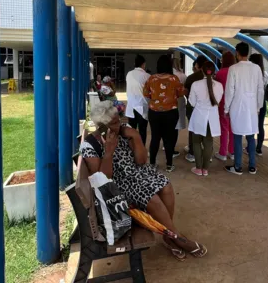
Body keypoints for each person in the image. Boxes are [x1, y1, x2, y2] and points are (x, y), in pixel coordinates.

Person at [81, 101, 207, 260]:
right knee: (151, 197)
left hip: (137, 173)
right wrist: (108, 153)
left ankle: (169, 235)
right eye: (113, 123)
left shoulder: (123, 133)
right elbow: (104, 180)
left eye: (118, 120)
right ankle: (177, 237)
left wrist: (135, 136)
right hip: (117, 185)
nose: (118, 125)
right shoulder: (91, 145)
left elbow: (141, 161)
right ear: (101, 126)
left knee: (165, 185)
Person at [224, 42, 264, 175]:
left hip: (237, 105)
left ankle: (238, 166)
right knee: (251, 136)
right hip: (252, 106)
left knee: (237, 136)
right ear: (248, 52)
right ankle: (252, 166)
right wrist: (259, 106)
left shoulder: (234, 68)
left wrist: (226, 108)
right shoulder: (256, 68)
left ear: (237, 53)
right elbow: (260, 89)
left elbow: (230, 90)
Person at [143, 54, 185, 172]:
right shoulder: (174, 79)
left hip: (154, 113)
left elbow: (146, 94)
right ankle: (169, 165)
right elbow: (181, 93)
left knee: (155, 137)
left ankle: (152, 164)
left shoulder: (151, 79)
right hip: (170, 113)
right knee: (169, 138)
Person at [188, 61, 224, 176]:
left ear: (201, 70)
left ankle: (198, 168)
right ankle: (205, 169)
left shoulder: (196, 84)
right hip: (212, 118)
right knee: (209, 143)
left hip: (198, 116)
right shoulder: (219, 85)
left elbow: (192, 103)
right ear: (214, 71)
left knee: (196, 142)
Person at [183, 56, 208, 163]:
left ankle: (192, 152)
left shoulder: (191, 78)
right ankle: (207, 153)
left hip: (192, 107)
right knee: (206, 129)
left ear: (197, 65)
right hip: (207, 108)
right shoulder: (211, 77)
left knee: (193, 129)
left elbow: (185, 92)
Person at [214, 51, 236, 161]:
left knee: (224, 128)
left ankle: (222, 152)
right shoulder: (236, 71)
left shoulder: (220, 73)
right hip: (234, 103)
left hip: (222, 102)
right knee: (233, 128)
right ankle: (232, 152)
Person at [126, 55, 151, 146]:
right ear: (143, 64)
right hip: (142, 106)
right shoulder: (147, 76)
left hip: (131, 106)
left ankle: (131, 150)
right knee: (142, 131)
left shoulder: (129, 74)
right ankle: (141, 150)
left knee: (131, 130)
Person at [249, 53, 267, 157]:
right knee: (260, 125)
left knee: (251, 125)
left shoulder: (251, 73)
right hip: (262, 101)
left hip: (252, 101)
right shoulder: (264, 73)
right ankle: (259, 147)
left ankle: (250, 147)